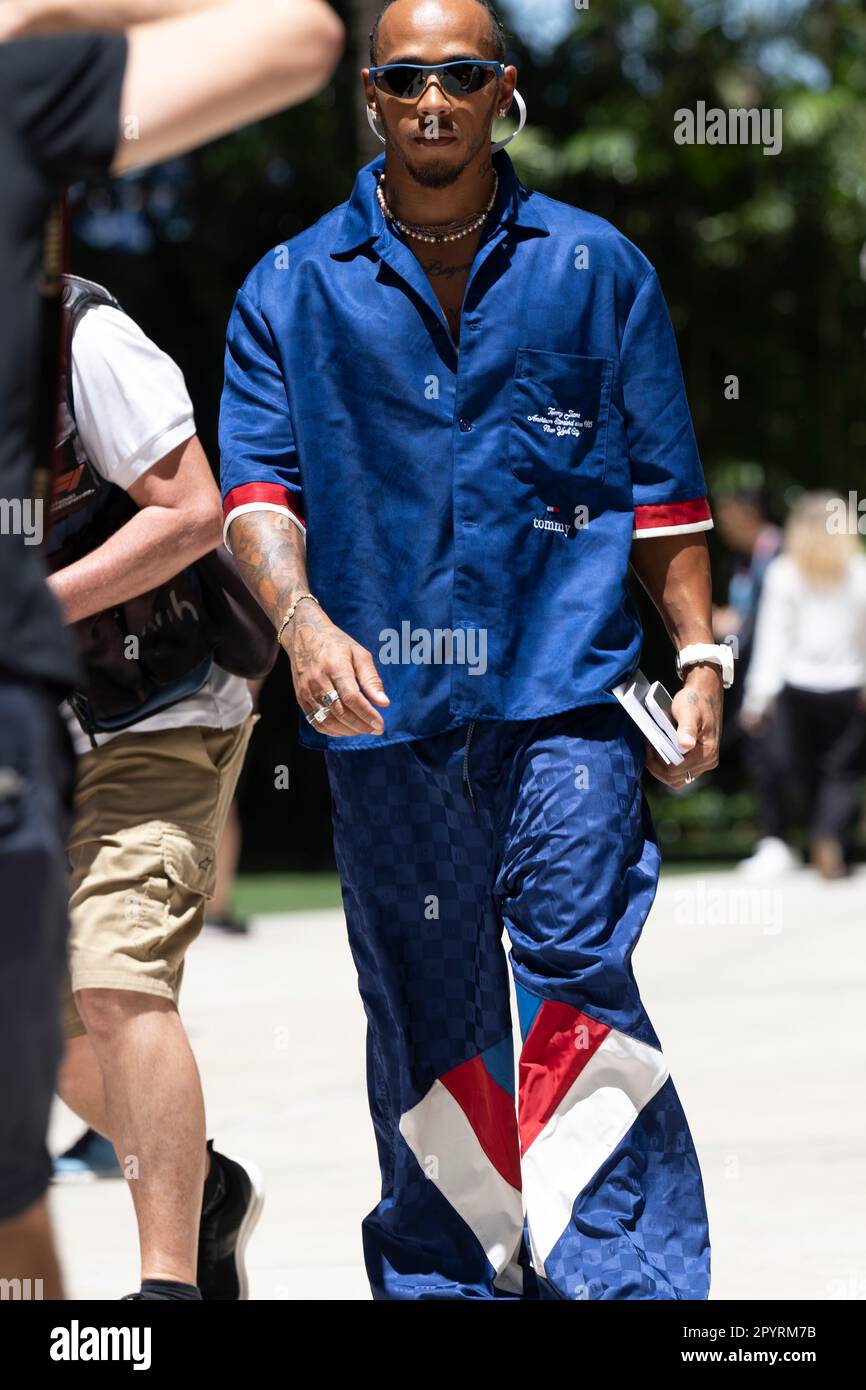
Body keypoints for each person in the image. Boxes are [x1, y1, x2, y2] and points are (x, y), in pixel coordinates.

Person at [220, 0, 730, 1301]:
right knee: (432, 1012)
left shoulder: (592, 267)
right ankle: (454, 1268)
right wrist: (301, 622)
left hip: (565, 697)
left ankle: (616, 1274)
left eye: (459, 73)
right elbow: (255, 495)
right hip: (384, 715)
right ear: (373, 99)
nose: (431, 97)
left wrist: (702, 655)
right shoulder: (289, 288)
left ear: (500, 89)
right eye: (405, 77)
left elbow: (661, 497)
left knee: (573, 973)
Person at [0, 0, 342, 1299]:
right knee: (34, 1020)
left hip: (164, 689)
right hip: (37, 707)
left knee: (109, 972)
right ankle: (203, 1179)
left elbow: (194, 513)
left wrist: (37, 603)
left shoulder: (84, 334)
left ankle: (163, 1288)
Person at [741, 492, 866, 880]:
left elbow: (773, 640)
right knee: (843, 772)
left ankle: (823, 836)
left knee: (807, 770)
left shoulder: (784, 572)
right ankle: (830, 836)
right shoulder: (858, 570)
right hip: (849, 687)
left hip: (798, 689)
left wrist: (757, 699)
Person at [711, 487, 791, 877]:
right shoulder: (739, 562)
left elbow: (770, 619)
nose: (725, 528)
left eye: (729, 519)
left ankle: (789, 838)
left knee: (780, 757)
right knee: (761, 757)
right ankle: (775, 839)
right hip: (750, 671)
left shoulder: (783, 553)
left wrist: (734, 630)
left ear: (752, 512)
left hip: (784, 674)